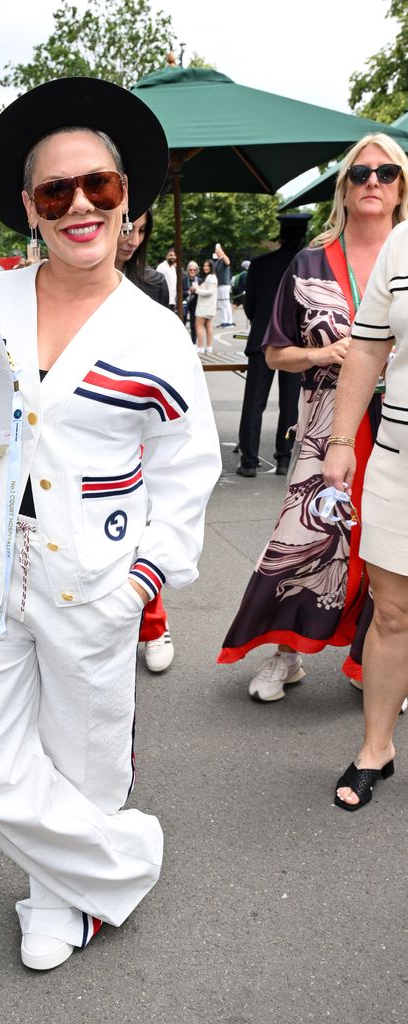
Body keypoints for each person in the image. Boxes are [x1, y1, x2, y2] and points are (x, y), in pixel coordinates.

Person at [0, 77, 221, 971]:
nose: (80, 206)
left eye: (100, 187)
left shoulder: (155, 333)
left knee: (84, 755)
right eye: (57, 191)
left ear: (125, 198)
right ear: (28, 209)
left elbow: (186, 470)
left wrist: (145, 579)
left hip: (96, 572)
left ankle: (64, 898)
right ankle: (122, 860)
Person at [218, 133, 408, 703]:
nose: (373, 182)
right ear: (344, 189)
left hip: (398, 426)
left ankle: (380, 663)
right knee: (308, 537)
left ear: (402, 188)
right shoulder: (308, 263)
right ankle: (287, 652)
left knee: (390, 547)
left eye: (387, 172)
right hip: (328, 426)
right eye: (359, 173)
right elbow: (274, 353)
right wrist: (328, 353)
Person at [323, 218, 408, 809]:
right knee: (393, 612)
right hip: (400, 458)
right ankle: (376, 747)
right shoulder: (402, 243)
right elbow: (371, 345)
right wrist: (341, 440)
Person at [115, 209, 175, 673]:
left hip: (140, 417)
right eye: (126, 227)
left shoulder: (153, 282)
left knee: (144, 521)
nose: (132, 238)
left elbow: (167, 356)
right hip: (89, 416)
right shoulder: (66, 280)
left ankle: (155, 623)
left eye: (141, 230)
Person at [235, 215, 310, 478]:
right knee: (290, 404)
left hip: (261, 342)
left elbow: (251, 306)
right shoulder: (307, 264)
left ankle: (249, 461)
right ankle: (284, 458)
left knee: (254, 403)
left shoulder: (259, 264)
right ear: (302, 237)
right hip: (294, 344)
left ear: (280, 236)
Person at [194, 259, 218, 353]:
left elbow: (210, 292)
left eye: (208, 266)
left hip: (205, 306)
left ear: (211, 267)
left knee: (198, 326)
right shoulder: (210, 277)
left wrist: (197, 290)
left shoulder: (210, 278)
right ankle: (208, 347)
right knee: (208, 326)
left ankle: (200, 347)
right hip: (209, 306)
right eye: (204, 266)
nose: (205, 267)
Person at [213, 243, 234, 326]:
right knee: (221, 304)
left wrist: (221, 251)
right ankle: (224, 321)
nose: (217, 252)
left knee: (226, 303)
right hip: (218, 285)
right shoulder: (217, 262)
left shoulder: (224, 260)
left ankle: (230, 321)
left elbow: (228, 261)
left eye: (219, 251)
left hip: (224, 284)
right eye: (216, 251)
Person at [155, 247, 178, 311]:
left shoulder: (173, 268)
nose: (173, 257)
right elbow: (157, 283)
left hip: (172, 301)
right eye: (171, 255)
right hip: (163, 300)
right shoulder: (161, 267)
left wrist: (174, 300)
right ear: (166, 256)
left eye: (174, 255)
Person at [185, 260, 200, 344]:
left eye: (194, 270)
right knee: (182, 322)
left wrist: (197, 290)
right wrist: (189, 291)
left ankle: (193, 342)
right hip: (185, 303)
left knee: (194, 324)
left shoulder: (200, 280)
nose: (192, 271)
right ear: (188, 270)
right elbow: (180, 292)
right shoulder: (184, 279)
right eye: (191, 270)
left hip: (195, 303)